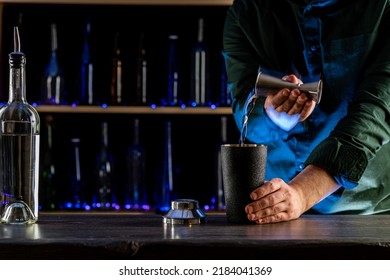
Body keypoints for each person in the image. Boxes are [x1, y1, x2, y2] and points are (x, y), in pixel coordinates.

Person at [222, 0, 390, 224]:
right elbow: (245, 117)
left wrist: (302, 193)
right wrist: (272, 112)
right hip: (274, 211)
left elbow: (375, 113)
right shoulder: (247, 11)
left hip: (366, 213)